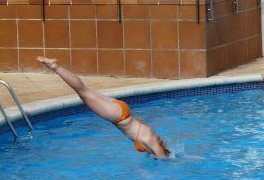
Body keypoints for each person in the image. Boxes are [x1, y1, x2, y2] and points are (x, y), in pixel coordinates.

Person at [37, 56, 171, 158]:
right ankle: (55, 67)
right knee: (83, 92)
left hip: (121, 110)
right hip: (118, 116)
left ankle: (56, 67)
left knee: (85, 91)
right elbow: (163, 160)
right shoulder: (151, 140)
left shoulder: (151, 135)